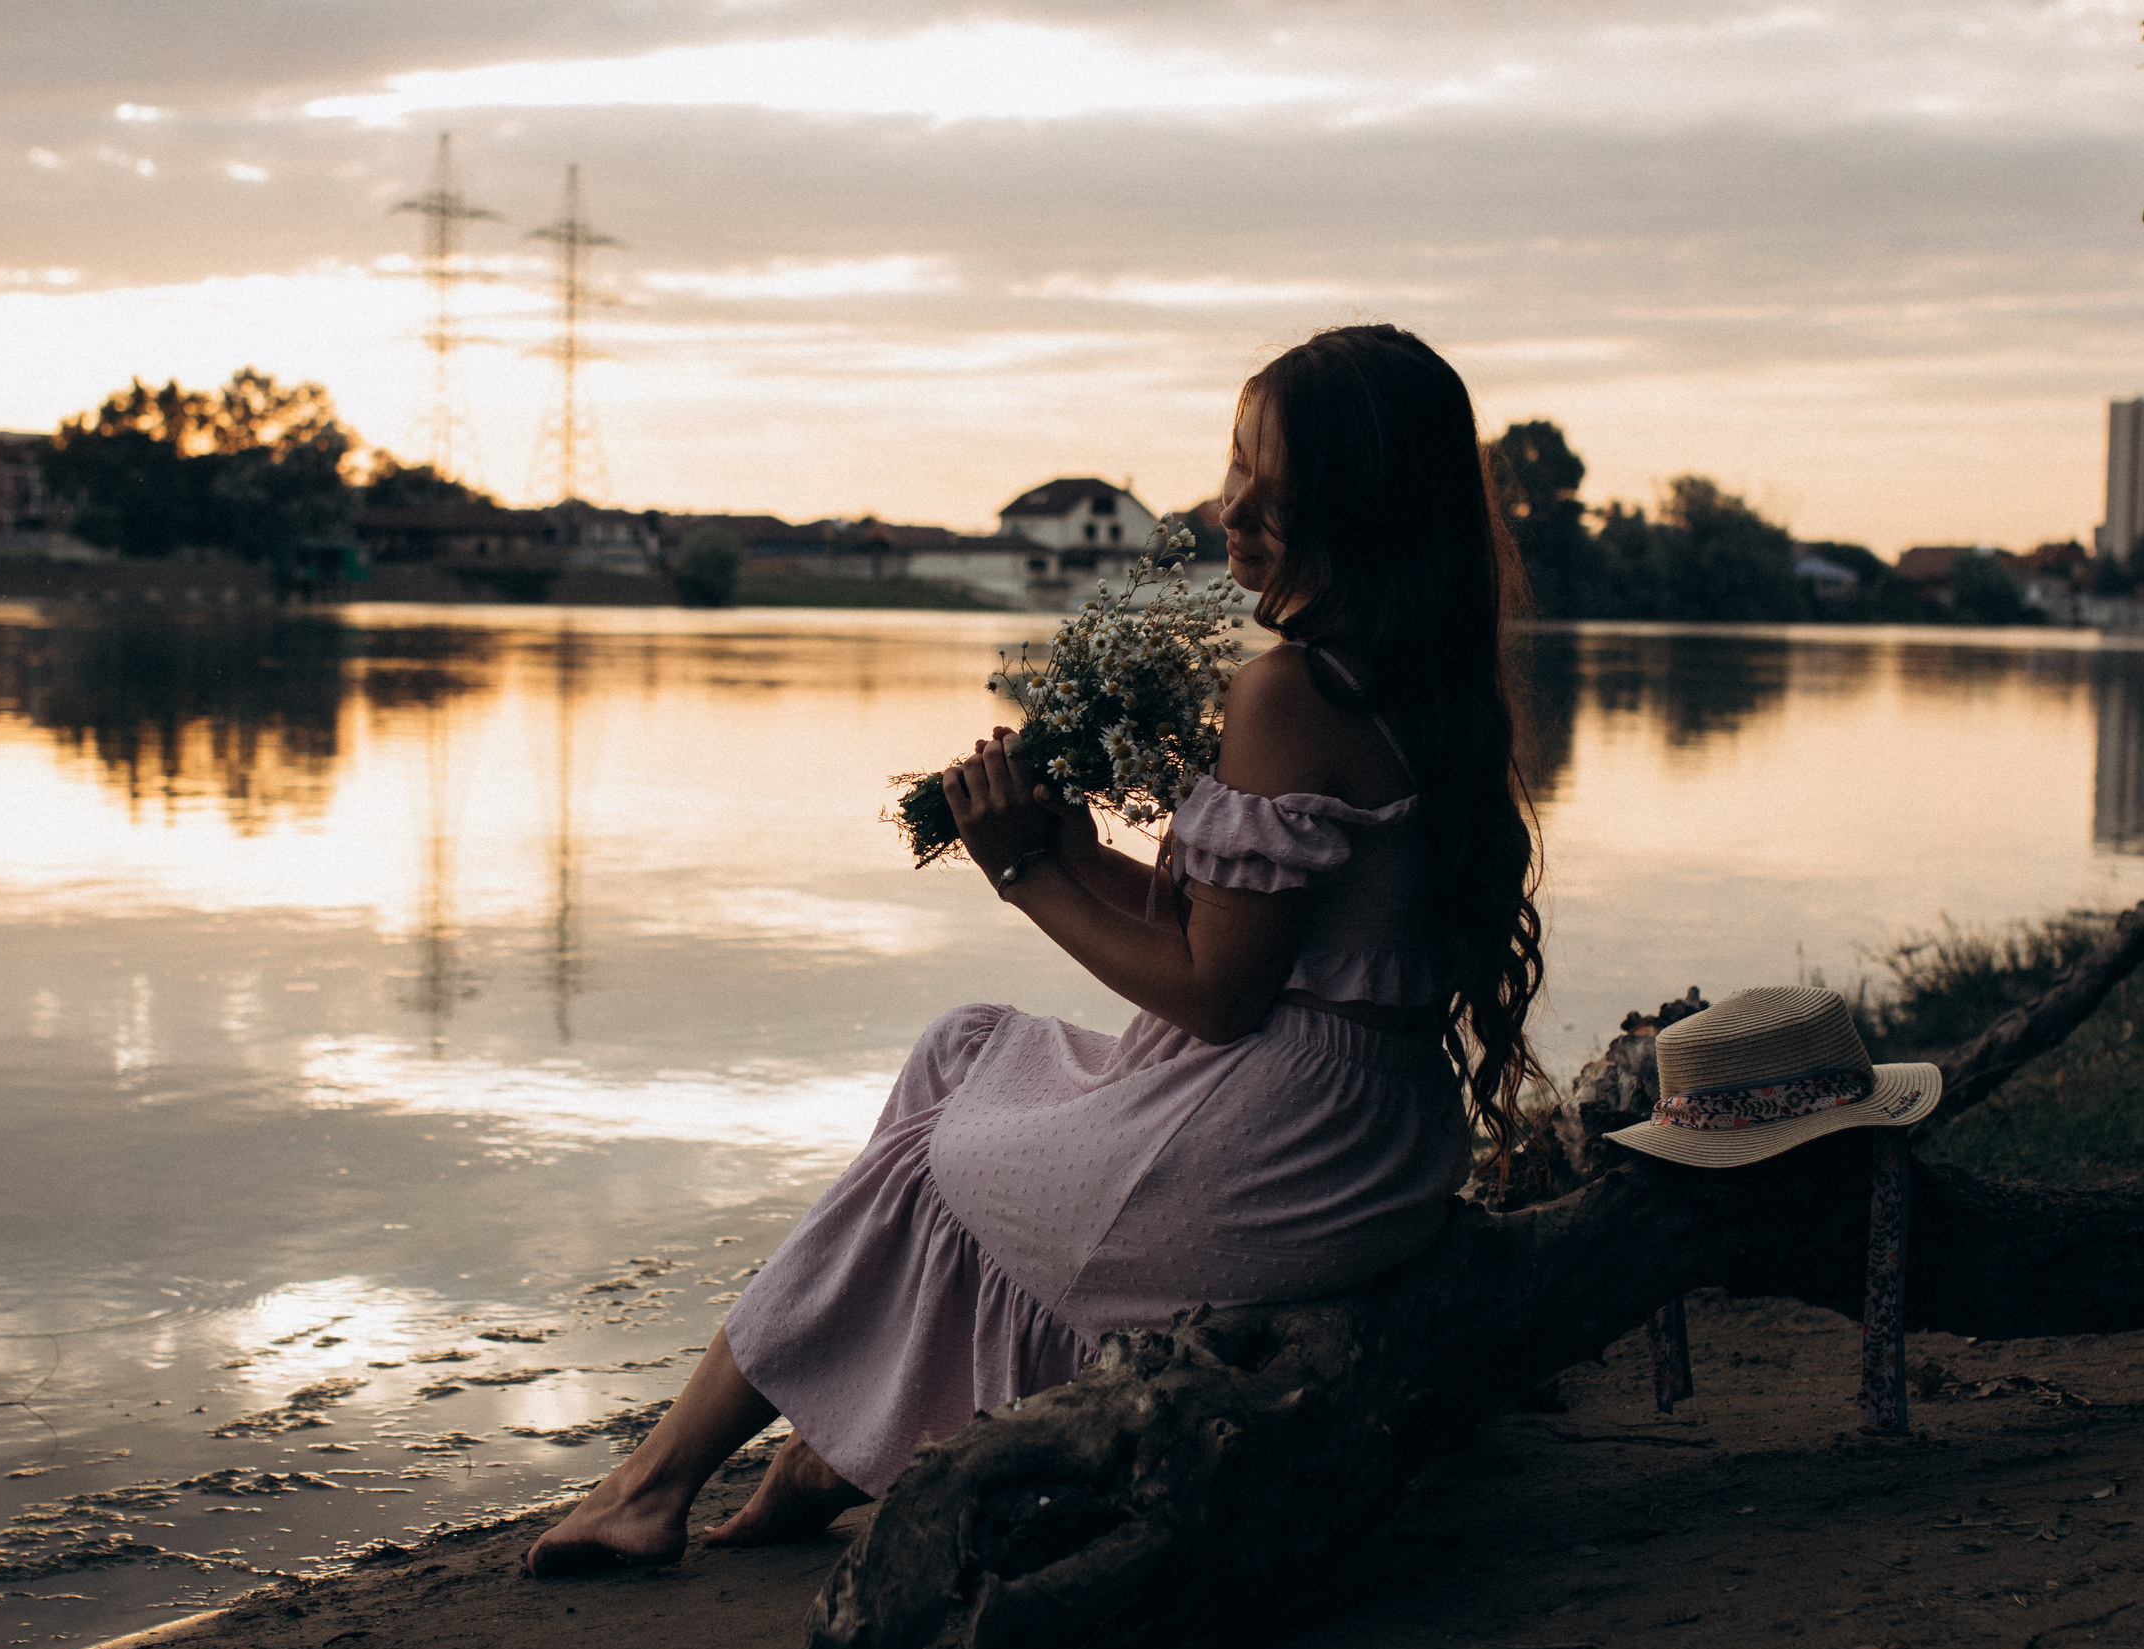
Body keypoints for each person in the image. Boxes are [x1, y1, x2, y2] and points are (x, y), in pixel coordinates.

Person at [527, 324, 1546, 1575]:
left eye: (1275, 491)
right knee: (961, 1050)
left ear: (1363, 509)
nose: (1229, 508)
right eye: (1233, 470)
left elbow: (1218, 994)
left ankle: (664, 1479)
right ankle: (826, 1447)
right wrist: (1059, 845)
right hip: (1366, 1134)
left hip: (1275, 1149)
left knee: (932, 1159)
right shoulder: (1418, 683)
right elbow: (1241, 940)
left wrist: (1019, 876)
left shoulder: (1286, 694)